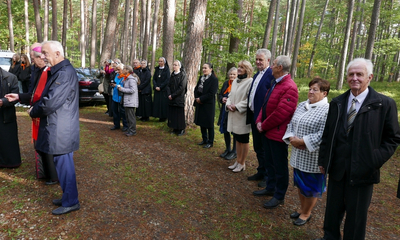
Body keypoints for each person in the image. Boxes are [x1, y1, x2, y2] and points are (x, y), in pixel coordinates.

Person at [315, 58, 400, 240]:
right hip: (338, 169)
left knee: (355, 218)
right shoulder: (337, 102)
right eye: (351, 74)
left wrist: (374, 159)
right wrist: (324, 160)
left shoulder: (383, 104)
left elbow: (393, 138)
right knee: (332, 212)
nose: (355, 78)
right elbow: (328, 134)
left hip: (363, 171)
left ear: (369, 77)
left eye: (359, 74)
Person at [9, 41, 81, 215]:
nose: (43, 57)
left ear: (57, 53)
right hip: (59, 126)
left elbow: (50, 102)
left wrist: (34, 111)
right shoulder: (58, 71)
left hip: (61, 129)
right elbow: (45, 96)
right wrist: (21, 97)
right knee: (62, 166)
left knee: (65, 167)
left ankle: (71, 201)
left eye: (46, 53)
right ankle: (68, 197)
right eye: (42, 53)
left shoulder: (63, 73)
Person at [7, 44, 59, 184]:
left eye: (34, 58)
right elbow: (34, 93)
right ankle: (46, 172)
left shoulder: (49, 72)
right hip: (39, 111)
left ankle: (53, 175)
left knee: (48, 144)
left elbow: (43, 97)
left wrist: (34, 109)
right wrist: (19, 97)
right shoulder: (40, 71)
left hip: (45, 114)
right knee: (41, 143)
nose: (34, 61)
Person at [282, 77, 330, 226]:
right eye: (310, 89)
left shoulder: (327, 110)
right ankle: (302, 208)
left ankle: (306, 213)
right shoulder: (303, 105)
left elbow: (323, 134)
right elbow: (292, 123)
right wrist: (291, 138)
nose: (310, 92)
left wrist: (303, 141)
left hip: (313, 157)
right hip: (298, 153)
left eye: (315, 90)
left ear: (324, 93)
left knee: (310, 187)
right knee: (300, 183)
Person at [253, 55, 298, 209]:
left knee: (279, 166)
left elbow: (281, 113)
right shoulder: (276, 83)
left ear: (280, 67)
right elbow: (265, 104)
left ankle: (279, 196)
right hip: (267, 131)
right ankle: (270, 188)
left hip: (277, 134)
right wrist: (259, 120)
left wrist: (263, 125)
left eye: (273, 64)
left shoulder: (290, 87)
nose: (270, 67)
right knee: (269, 163)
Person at [246, 49, 274, 187]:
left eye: (260, 60)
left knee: (264, 148)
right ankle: (261, 171)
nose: (257, 62)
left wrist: (264, 118)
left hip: (263, 118)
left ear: (268, 60)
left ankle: (268, 176)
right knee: (257, 146)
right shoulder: (257, 75)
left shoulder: (271, 75)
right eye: (256, 59)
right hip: (253, 115)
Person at [225, 61, 253, 172]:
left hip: (242, 114)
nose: (239, 69)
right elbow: (230, 95)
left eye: (242, 67)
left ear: (247, 69)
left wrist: (237, 106)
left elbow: (249, 99)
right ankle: (237, 161)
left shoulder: (250, 81)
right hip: (233, 113)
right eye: (239, 67)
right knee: (237, 138)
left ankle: (242, 163)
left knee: (243, 139)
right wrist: (228, 105)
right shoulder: (236, 81)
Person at [0, 67, 21, 168]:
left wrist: (3, 102)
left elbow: (15, 97)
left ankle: (10, 162)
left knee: (7, 139)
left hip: (6, 114)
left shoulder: (11, 77)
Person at [194, 63, 219, 149]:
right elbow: (196, 89)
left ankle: (210, 141)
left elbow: (212, 93)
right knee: (202, 123)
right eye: (203, 68)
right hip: (200, 103)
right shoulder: (201, 78)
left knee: (209, 124)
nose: (204, 69)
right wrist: (197, 98)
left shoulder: (214, 79)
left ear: (211, 69)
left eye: (206, 68)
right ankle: (204, 139)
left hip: (208, 104)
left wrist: (201, 99)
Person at [217, 67, 237, 160]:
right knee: (225, 130)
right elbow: (220, 94)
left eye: (234, 74)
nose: (232, 76)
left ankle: (234, 151)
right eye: (231, 74)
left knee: (234, 131)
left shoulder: (238, 84)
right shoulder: (226, 83)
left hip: (233, 111)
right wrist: (222, 99)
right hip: (224, 111)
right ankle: (228, 149)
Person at [167, 60, 187, 136]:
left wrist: (173, 95)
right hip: (171, 98)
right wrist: (169, 94)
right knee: (173, 114)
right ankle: (174, 128)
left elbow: (182, 87)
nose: (174, 66)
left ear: (179, 66)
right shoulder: (172, 75)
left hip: (179, 98)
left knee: (179, 114)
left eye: (175, 65)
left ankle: (181, 129)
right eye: (173, 65)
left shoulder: (183, 75)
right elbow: (168, 85)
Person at [117, 65, 139, 137]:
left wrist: (122, 89)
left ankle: (133, 131)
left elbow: (133, 90)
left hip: (131, 101)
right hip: (127, 100)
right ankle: (130, 130)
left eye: (124, 69)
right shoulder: (126, 79)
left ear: (127, 70)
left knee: (131, 117)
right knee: (127, 117)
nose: (122, 70)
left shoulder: (131, 79)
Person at [110, 64, 128, 131]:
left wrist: (116, 85)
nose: (117, 71)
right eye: (116, 69)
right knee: (115, 111)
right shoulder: (117, 75)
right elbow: (115, 83)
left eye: (118, 69)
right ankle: (116, 125)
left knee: (123, 112)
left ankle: (125, 125)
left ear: (123, 69)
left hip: (122, 97)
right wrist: (112, 85)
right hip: (115, 96)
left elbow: (124, 86)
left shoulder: (125, 77)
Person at [152, 57, 170, 122]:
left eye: (161, 61)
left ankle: (163, 117)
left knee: (163, 104)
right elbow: (154, 79)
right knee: (157, 103)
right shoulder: (157, 69)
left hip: (163, 90)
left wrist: (161, 87)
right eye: (159, 61)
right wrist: (156, 86)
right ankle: (158, 115)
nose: (160, 62)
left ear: (164, 62)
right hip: (157, 89)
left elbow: (167, 80)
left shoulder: (167, 69)